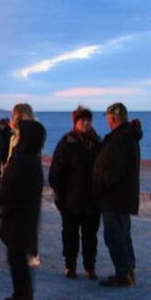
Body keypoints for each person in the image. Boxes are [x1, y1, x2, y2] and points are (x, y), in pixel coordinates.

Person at [0, 118, 46, 300]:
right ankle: (20, 295)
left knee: (18, 260)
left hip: (19, 217)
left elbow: (9, 189)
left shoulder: (23, 161)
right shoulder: (31, 159)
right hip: (24, 215)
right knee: (17, 258)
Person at [92, 102, 143, 288]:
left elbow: (114, 170)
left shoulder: (121, 139)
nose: (107, 121)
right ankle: (128, 271)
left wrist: (100, 186)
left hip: (114, 196)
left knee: (114, 236)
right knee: (123, 234)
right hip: (123, 196)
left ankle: (124, 274)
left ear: (112, 118)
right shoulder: (127, 136)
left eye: (108, 118)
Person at [49, 106, 102, 280]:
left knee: (90, 236)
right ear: (76, 123)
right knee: (70, 235)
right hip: (71, 200)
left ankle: (89, 267)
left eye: (88, 120)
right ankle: (70, 266)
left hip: (93, 200)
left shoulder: (98, 142)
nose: (86, 123)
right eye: (82, 120)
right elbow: (55, 172)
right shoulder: (67, 142)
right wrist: (60, 195)